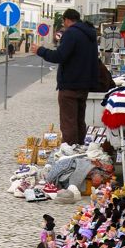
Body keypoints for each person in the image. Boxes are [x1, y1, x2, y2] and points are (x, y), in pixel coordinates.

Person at [31, 8, 98, 146]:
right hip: (84, 85)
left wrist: (40, 50)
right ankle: (79, 149)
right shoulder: (90, 35)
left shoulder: (71, 34)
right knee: (80, 121)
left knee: (68, 122)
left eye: (64, 22)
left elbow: (59, 56)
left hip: (69, 85)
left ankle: (70, 155)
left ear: (67, 20)